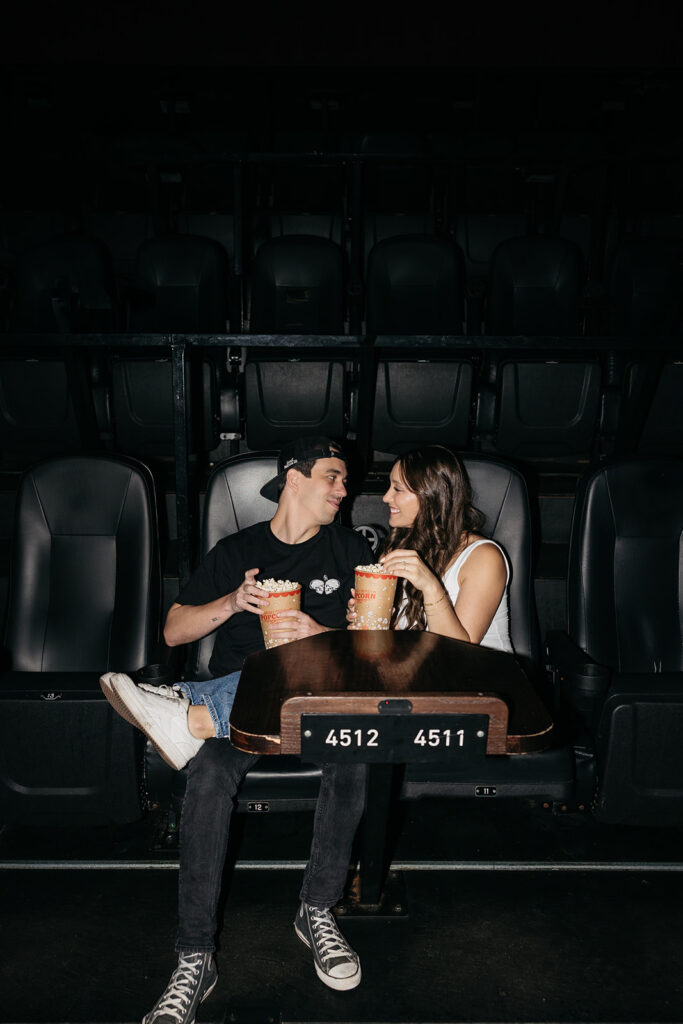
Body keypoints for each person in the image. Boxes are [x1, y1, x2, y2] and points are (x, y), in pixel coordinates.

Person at [100, 437, 375, 1024]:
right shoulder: (237, 550)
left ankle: (318, 910)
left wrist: (314, 636)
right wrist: (232, 601)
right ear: (293, 480)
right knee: (209, 775)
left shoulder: (351, 549)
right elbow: (174, 632)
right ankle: (194, 955)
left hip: (318, 699)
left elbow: (372, 650)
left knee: (354, 751)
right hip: (241, 704)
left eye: (346, 481)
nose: (344, 491)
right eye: (333, 476)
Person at [348, 446, 512, 652]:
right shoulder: (396, 547)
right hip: (423, 674)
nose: (386, 497)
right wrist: (373, 619)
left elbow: (460, 651)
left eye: (397, 489)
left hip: (480, 677)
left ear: (431, 495)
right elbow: (403, 640)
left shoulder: (484, 557)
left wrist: (431, 586)